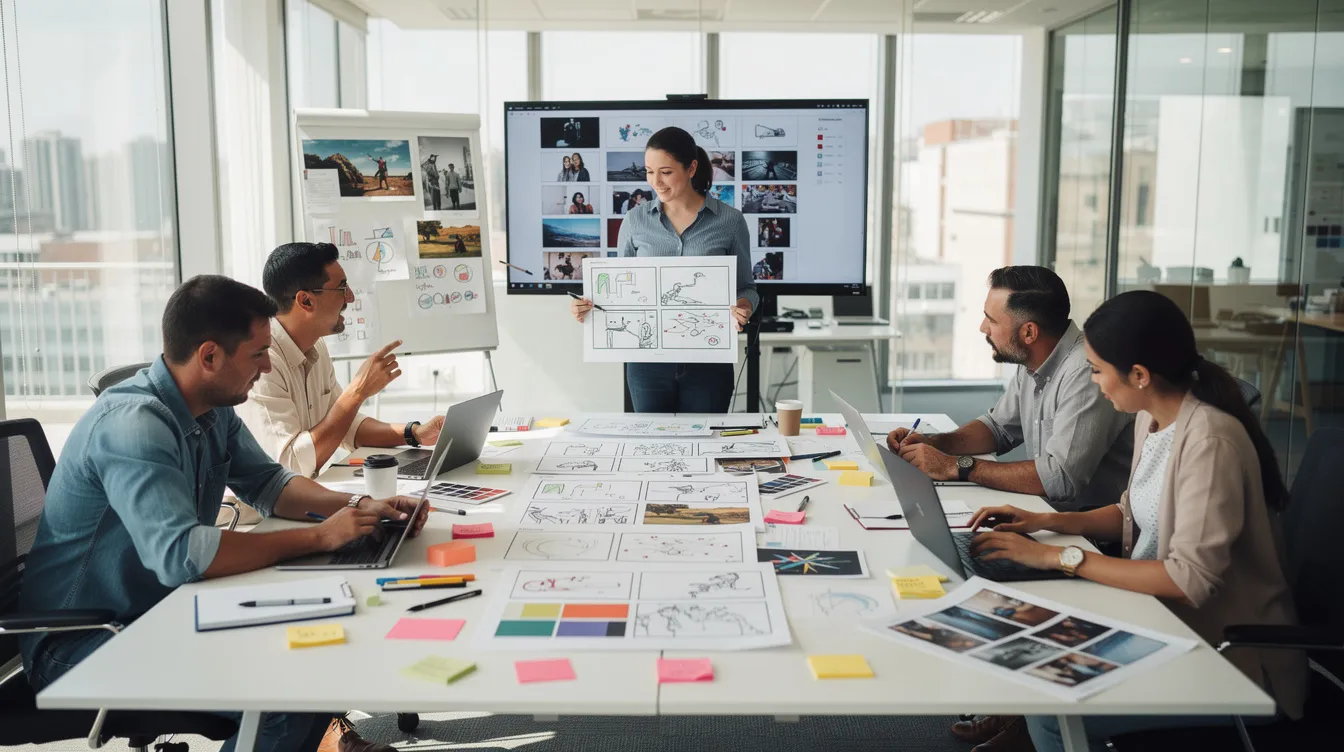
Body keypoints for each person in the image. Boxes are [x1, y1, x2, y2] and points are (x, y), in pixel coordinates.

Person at [17, 275, 429, 752]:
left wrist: (359, 507)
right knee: (279, 696)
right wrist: (320, 538)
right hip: (83, 645)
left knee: (317, 657)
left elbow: (271, 485)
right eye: (257, 354)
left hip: (159, 612)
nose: (268, 364)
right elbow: (181, 555)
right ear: (209, 356)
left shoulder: (212, 409)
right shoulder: (133, 427)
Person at [955, 290, 1307, 752]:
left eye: (1098, 371)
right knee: (1028, 635)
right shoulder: (1152, 417)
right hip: (1163, 621)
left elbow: (1189, 580)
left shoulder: (1210, 441)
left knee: (1053, 708)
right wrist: (1044, 520)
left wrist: (1061, 557)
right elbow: (1131, 511)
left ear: (1139, 375)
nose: (1094, 383)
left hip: (1228, 660)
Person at [886, 266, 1132, 511]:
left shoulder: (1086, 371)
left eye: (991, 320)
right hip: (1048, 516)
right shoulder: (1034, 359)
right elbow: (998, 428)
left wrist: (955, 465)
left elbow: (1060, 478)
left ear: (1029, 332)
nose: (983, 328)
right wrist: (935, 444)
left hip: (1091, 536)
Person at [570, 126, 756, 413]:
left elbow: (747, 287)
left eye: (666, 172)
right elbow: (620, 291)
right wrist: (588, 307)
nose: (655, 181)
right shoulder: (635, 220)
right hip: (647, 365)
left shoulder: (730, 221)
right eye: (648, 171)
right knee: (649, 449)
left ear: (691, 168)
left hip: (708, 361)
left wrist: (745, 304)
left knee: (706, 448)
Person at [239, 243, 445, 478]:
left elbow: (345, 425)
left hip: (300, 497)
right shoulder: (264, 363)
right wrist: (358, 391)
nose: (350, 297)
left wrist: (415, 433)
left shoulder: (315, 345)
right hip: (258, 514)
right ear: (305, 301)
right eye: (342, 287)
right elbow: (291, 465)